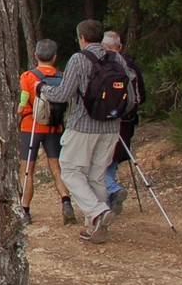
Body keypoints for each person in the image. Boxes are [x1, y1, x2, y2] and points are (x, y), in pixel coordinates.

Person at [39, 19, 136, 244]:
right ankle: (96, 228)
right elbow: (131, 99)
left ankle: (97, 212)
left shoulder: (79, 59)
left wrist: (42, 88)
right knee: (97, 176)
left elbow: (63, 94)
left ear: (81, 38)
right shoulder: (117, 59)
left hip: (83, 125)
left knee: (70, 171)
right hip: (111, 127)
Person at [17, 39, 75, 224]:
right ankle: (66, 202)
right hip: (54, 127)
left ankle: (25, 210)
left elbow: (23, 101)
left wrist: (18, 113)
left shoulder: (27, 77)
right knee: (56, 168)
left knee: (27, 171)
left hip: (31, 127)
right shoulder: (62, 76)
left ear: (35, 55)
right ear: (55, 57)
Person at [101, 30, 146, 214]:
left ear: (102, 46)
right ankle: (111, 196)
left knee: (100, 161)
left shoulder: (101, 64)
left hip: (104, 122)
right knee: (113, 160)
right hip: (127, 122)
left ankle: (113, 190)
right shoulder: (131, 66)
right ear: (119, 47)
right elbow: (142, 97)